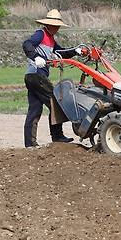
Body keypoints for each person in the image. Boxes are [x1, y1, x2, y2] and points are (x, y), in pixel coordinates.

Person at [22, 9, 85, 147]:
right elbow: (27, 44)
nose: (56, 28)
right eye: (54, 25)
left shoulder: (51, 40)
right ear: (48, 24)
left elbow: (61, 52)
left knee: (35, 109)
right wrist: (35, 57)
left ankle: (30, 144)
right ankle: (57, 137)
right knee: (56, 102)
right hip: (36, 75)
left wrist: (75, 51)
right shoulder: (41, 34)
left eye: (58, 26)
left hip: (33, 77)